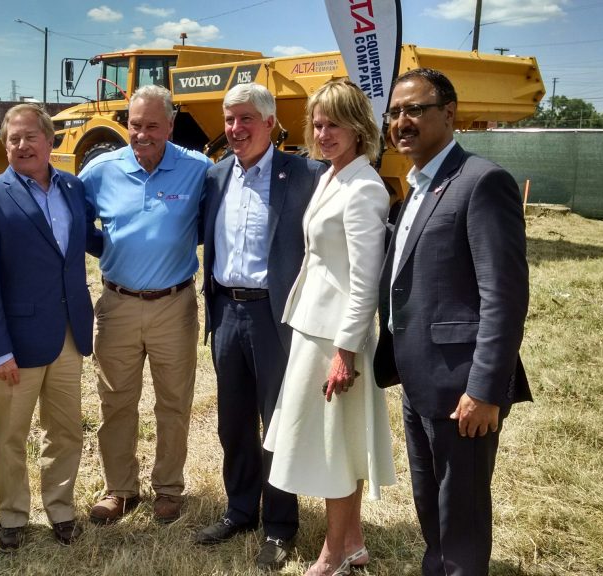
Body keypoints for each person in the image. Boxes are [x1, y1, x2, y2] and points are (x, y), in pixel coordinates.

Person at [374, 68, 531, 576]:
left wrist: (485, 389)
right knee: (431, 507)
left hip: (463, 388)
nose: (403, 121)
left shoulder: (481, 182)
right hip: (420, 381)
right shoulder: (416, 185)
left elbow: (503, 297)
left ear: (449, 113)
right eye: (396, 112)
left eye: (415, 109)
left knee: (460, 516)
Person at [264, 79, 397, 576]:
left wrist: (345, 350)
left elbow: (365, 282)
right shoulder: (331, 177)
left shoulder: (364, 188)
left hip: (336, 337)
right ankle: (354, 543)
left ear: (359, 127)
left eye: (334, 123)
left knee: (335, 449)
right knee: (331, 441)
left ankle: (334, 554)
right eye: (317, 124)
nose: (323, 133)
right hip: (312, 325)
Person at [196, 83, 326, 570]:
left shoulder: (306, 174)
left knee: (279, 425)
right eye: (229, 120)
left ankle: (280, 525)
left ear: (271, 123)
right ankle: (240, 510)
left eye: (246, 118)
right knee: (233, 425)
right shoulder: (214, 178)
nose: (235, 129)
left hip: (277, 318)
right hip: (226, 313)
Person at [79, 84, 211, 525]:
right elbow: (78, 224)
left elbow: (210, 225)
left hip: (174, 304)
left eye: (153, 125)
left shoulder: (198, 169)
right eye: (135, 125)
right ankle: (119, 489)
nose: (142, 134)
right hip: (116, 303)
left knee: (174, 401)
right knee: (116, 401)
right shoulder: (101, 170)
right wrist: (111, 249)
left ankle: (169, 488)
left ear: (170, 126)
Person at [0, 104, 93, 551]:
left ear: (50, 141)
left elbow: (86, 244)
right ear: (4, 145)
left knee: (67, 431)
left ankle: (61, 510)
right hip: (14, 345)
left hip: (68, 336)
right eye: (12, 139)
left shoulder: (73, 188)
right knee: (12, 436)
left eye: (29, 137)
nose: (21, 145)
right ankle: (14, 516)